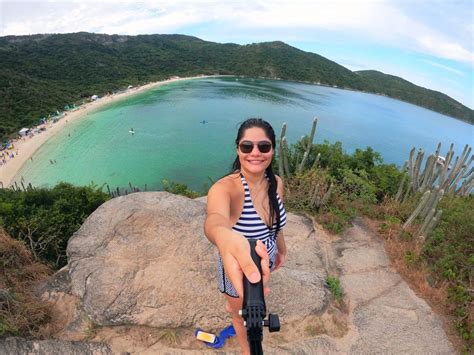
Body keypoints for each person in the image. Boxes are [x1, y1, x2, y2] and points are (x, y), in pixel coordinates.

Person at [204, 118, 287, 354]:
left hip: (266, 258)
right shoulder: (226, 188)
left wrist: (280, 249)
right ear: (237, 149)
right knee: (239, 313)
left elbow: (276, 224)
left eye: (264, 146)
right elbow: (215, 220)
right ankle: (245, 350)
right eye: (247, 146)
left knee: (256, 305)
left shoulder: (277, 183)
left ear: (272, 149)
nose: (255, 153)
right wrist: (224, 237)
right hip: (237, 266)